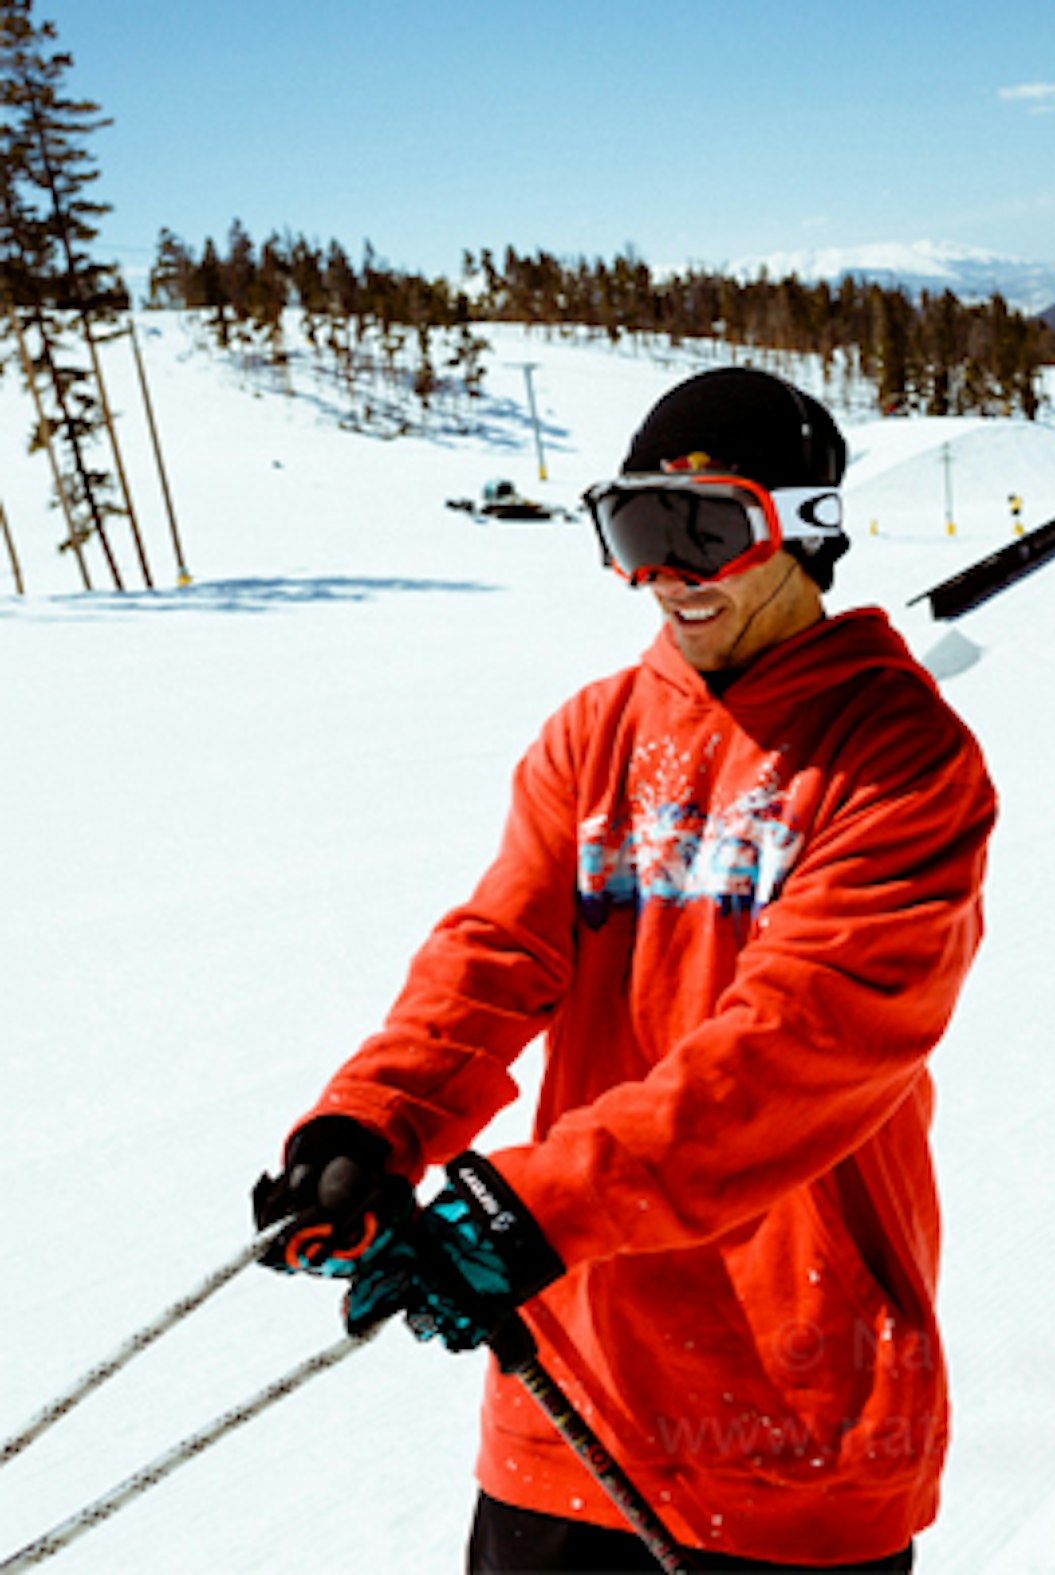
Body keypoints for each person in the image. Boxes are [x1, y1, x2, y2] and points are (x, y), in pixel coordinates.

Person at [253, 367, 997, 1573]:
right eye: (636, 530)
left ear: (806, 529)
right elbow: (495, 954)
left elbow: (802, 1044)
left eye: (707, 531)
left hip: (792, 1415)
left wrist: (535, 1206)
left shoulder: (899, 761)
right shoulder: (594, 734)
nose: (667, 575)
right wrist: (371, 1123)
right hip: (570, 1393)